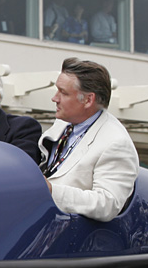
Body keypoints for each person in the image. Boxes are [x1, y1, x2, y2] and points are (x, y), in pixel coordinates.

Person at [39, 57, 140, 222]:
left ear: (88, 100)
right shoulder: (62, 124)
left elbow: (108, 204)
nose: (54, 98)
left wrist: (51, 191)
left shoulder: (116, 142)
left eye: (63, 92)